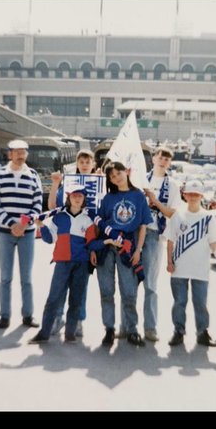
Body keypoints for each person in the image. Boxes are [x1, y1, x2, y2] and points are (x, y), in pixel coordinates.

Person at [30, 185, 100, 344]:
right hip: (62, 263)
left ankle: (70, 334)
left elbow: (91, 243)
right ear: (69, 198)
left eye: (80, 196)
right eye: (74, 196)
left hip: (81, 264)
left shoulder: (88, 219)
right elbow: (50, 239)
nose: (77, 199)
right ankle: (44, 333)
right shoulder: (59, 217)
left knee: (76, 300)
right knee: (53, 298)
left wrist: (101, 246)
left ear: (84, 200)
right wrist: (41, 226)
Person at [94, 162, 152, 348]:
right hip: (107, 246)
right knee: (106, 290)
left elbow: (143, 225)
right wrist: (95, 248)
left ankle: (132, 329)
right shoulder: (108, 198)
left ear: (127, 172)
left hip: (127, 246)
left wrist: (138, 250)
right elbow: (99, 224)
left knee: (129, 291)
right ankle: (109, 329)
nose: (116, 178)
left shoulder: (138, 196)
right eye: (112, 176)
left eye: (118, 173)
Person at [0, 140, 43, 330]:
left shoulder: (33, 176)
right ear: (9, 154)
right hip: (5, 233)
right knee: (5, 277)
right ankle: (4, 316)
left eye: (24, 152)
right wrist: (11, 223)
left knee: (26, 278)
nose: (21, 155)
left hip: (27, 234)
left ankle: (28, 315)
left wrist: (24, 223)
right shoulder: (0, 175)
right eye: (17, 152)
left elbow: (37, 203)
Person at [166, 180, 216, 348]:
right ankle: (178, 332)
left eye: (196, 194)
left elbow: (214, 242)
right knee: (179, 302)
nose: (193, 197)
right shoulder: (177, 216)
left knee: (200, 303)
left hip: (200, 269)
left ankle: (202, 333)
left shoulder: (208, 217)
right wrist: (169, 262)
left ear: (201, 196)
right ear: (185, 195)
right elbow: (170, 241)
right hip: (179, 268)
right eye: (190, 194)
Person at [142, 148, 182, 341]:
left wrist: (154, 201)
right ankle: (127, 326)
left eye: (167, 159)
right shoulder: (141, 178)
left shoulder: (173, 185)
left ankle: (150, 327)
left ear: (169, 163)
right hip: (135, 232)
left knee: (150, 284)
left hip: (155, 234)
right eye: (160, 157)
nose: (163, 161)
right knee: (130, 284)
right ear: (153, 159)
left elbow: (172, 213)